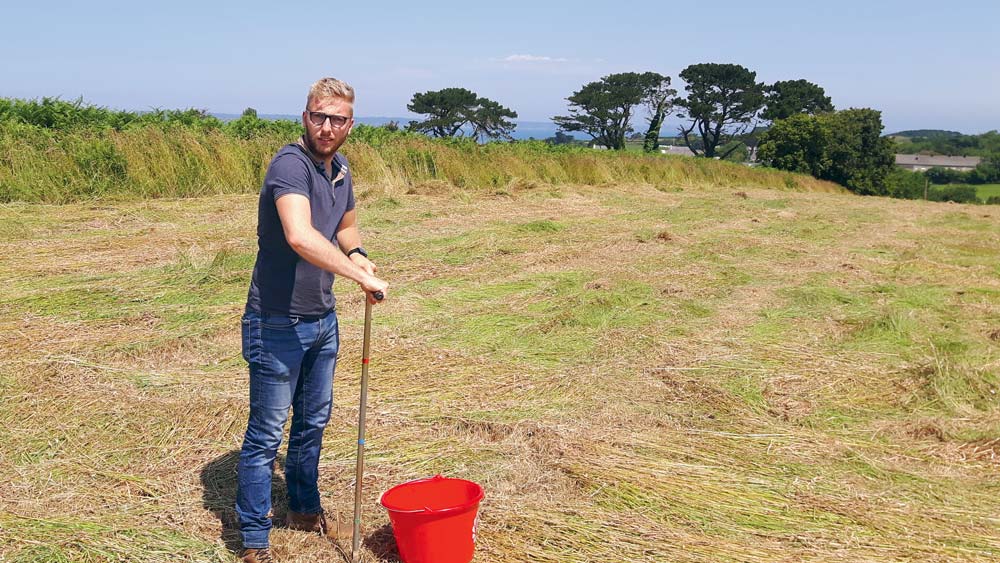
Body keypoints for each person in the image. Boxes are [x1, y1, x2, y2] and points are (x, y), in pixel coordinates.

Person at [236, 77, 389, 563]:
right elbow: (300, 236)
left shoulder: (339, 169)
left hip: (322, 321)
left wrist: (359, 255)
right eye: (319, 116)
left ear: (350, 124)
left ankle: (304, 509)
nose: (327, 127)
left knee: (313, 423)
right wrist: (357, 278)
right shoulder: (290, 165)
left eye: (337, 119)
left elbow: (345, 227)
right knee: (267, 432)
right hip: (276, 322)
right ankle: (255, 539)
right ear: (305, 117)